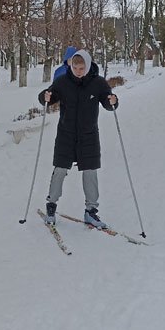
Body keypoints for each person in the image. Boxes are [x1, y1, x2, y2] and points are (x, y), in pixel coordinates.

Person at [38, 49, 118, 229]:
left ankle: (91, 211)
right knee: (60, 170)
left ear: (88, 66)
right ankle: (51, 205)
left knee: (90, 172)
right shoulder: (63, 81)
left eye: (82, 68)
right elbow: (49, 96)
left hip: (88, 135)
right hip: (66, 135)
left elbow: (107, 101)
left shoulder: (98, 83)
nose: (78, 71)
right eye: (75, 67)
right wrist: (45, 96)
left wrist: (113, 101)